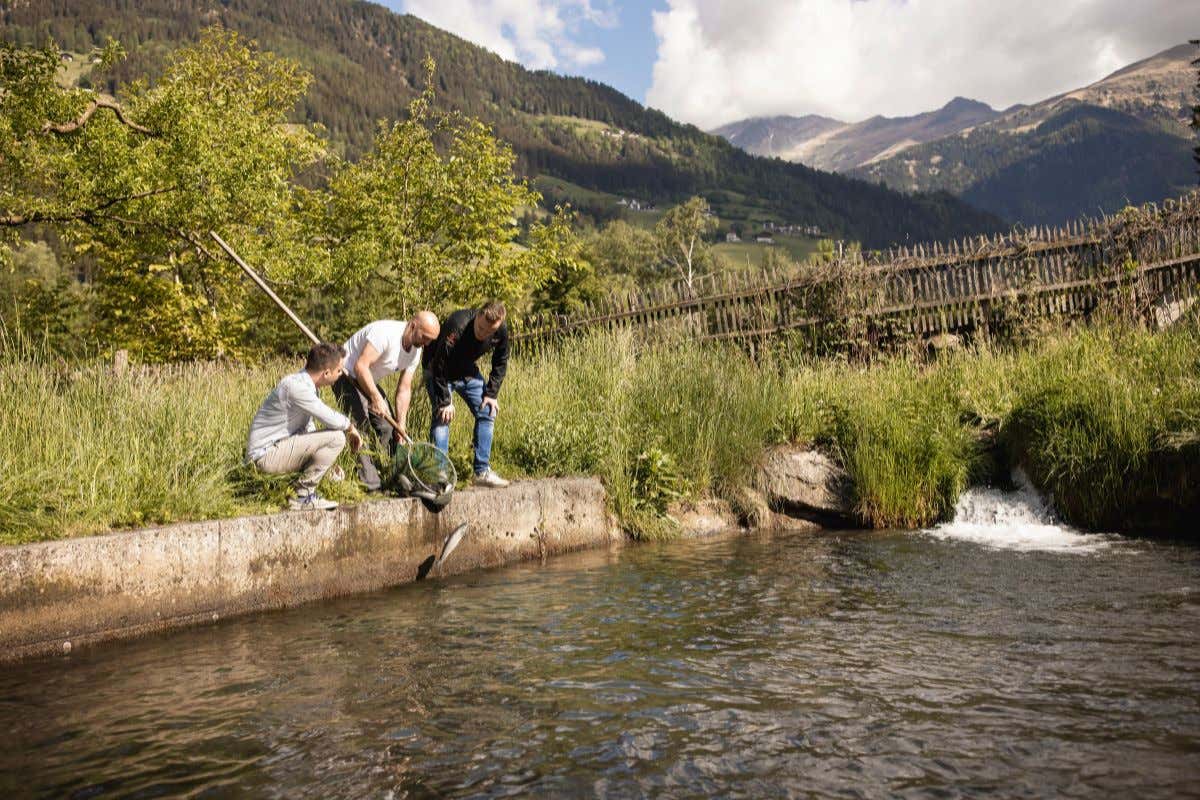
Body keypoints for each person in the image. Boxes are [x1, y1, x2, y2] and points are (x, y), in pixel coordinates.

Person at [247, 342, 363, 511]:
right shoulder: (296, 387)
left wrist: (325, 463)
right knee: (337, 437)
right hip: (264, 456)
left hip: (277, 450)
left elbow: (307, 430)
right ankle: (303, 496)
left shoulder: (306, 385)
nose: (341, 374)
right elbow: (327, 416)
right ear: (326, 373)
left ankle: (300, 493)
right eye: (339, 370)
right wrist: (350, 427)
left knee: (332, 438)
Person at [333, 311, 440, 491]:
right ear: (413, 326)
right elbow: (360, 366)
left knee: (389, 428)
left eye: (431, 340)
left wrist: (401, 424)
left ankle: (389, 473)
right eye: (425, 337)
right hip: (346, 374)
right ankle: (370, 483)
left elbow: (405, 388)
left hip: (367, 379)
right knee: (361, 427)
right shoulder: (385, 334)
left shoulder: (416, 351)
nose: (427, 343)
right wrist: (375, 398)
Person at [423, 300, 510, 488]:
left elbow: (501, 361)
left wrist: (491, 393)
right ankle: (440, 476)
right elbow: (439, 363)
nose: (483, 334)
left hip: (466, 371)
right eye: (481, 328)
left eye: (489, 332)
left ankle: (482, 472)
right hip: (438, 371)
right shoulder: (458, 324)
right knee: (443, 417)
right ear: (478, 315)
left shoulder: (500, 330)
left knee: (488, 410)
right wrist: (445, 400)